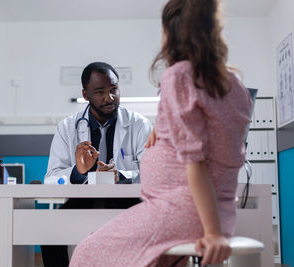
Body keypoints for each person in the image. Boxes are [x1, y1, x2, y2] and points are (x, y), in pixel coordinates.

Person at [69, 0, 252, 266]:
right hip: (218, 211)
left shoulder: (179, 76)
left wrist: (212, 234)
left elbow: (197, 163)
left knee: (84, 253)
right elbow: (216, 135)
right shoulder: (234, 82)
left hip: (181, 211)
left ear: (172, 33)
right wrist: (164, 128)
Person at [41, 62, 152, 267]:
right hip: (83, 200)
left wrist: (122, 175)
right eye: (100, 92)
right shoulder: (67, 128)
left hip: (126, 201)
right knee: (50, 232)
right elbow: (51, 179)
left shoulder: (139, 124)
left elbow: (152, 173)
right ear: (85, 94)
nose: (109, 98)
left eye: (114, 90)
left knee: (150, 229)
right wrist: (78, 172)